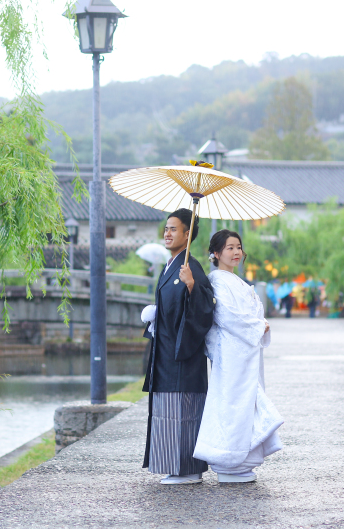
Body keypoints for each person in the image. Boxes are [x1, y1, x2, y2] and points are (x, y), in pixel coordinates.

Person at [194, 229, 284, 483]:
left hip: (246, 352)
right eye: (229, 247)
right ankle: (227, 458)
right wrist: (258, 326)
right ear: (215, 253)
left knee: (245, 403)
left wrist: (259, 323)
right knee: (232, 403)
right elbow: (226, 316)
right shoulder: (217, 281)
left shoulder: (237, 281)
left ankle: (243, 459)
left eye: (238, 247)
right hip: (232, 353)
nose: (236, 252)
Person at [140, 208, 215, 485]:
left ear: (188, 234)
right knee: (167, 413)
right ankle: (176, 466)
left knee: (184, 413)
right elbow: (172, 307)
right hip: (166, 355)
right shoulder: (171, 265)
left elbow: (206, 308)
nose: (167, 233)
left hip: (183, 356)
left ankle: (188, 469)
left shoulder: (190, 268)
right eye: (166, 229)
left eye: (174, 229)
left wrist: (193, 285)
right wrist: (156, 314)